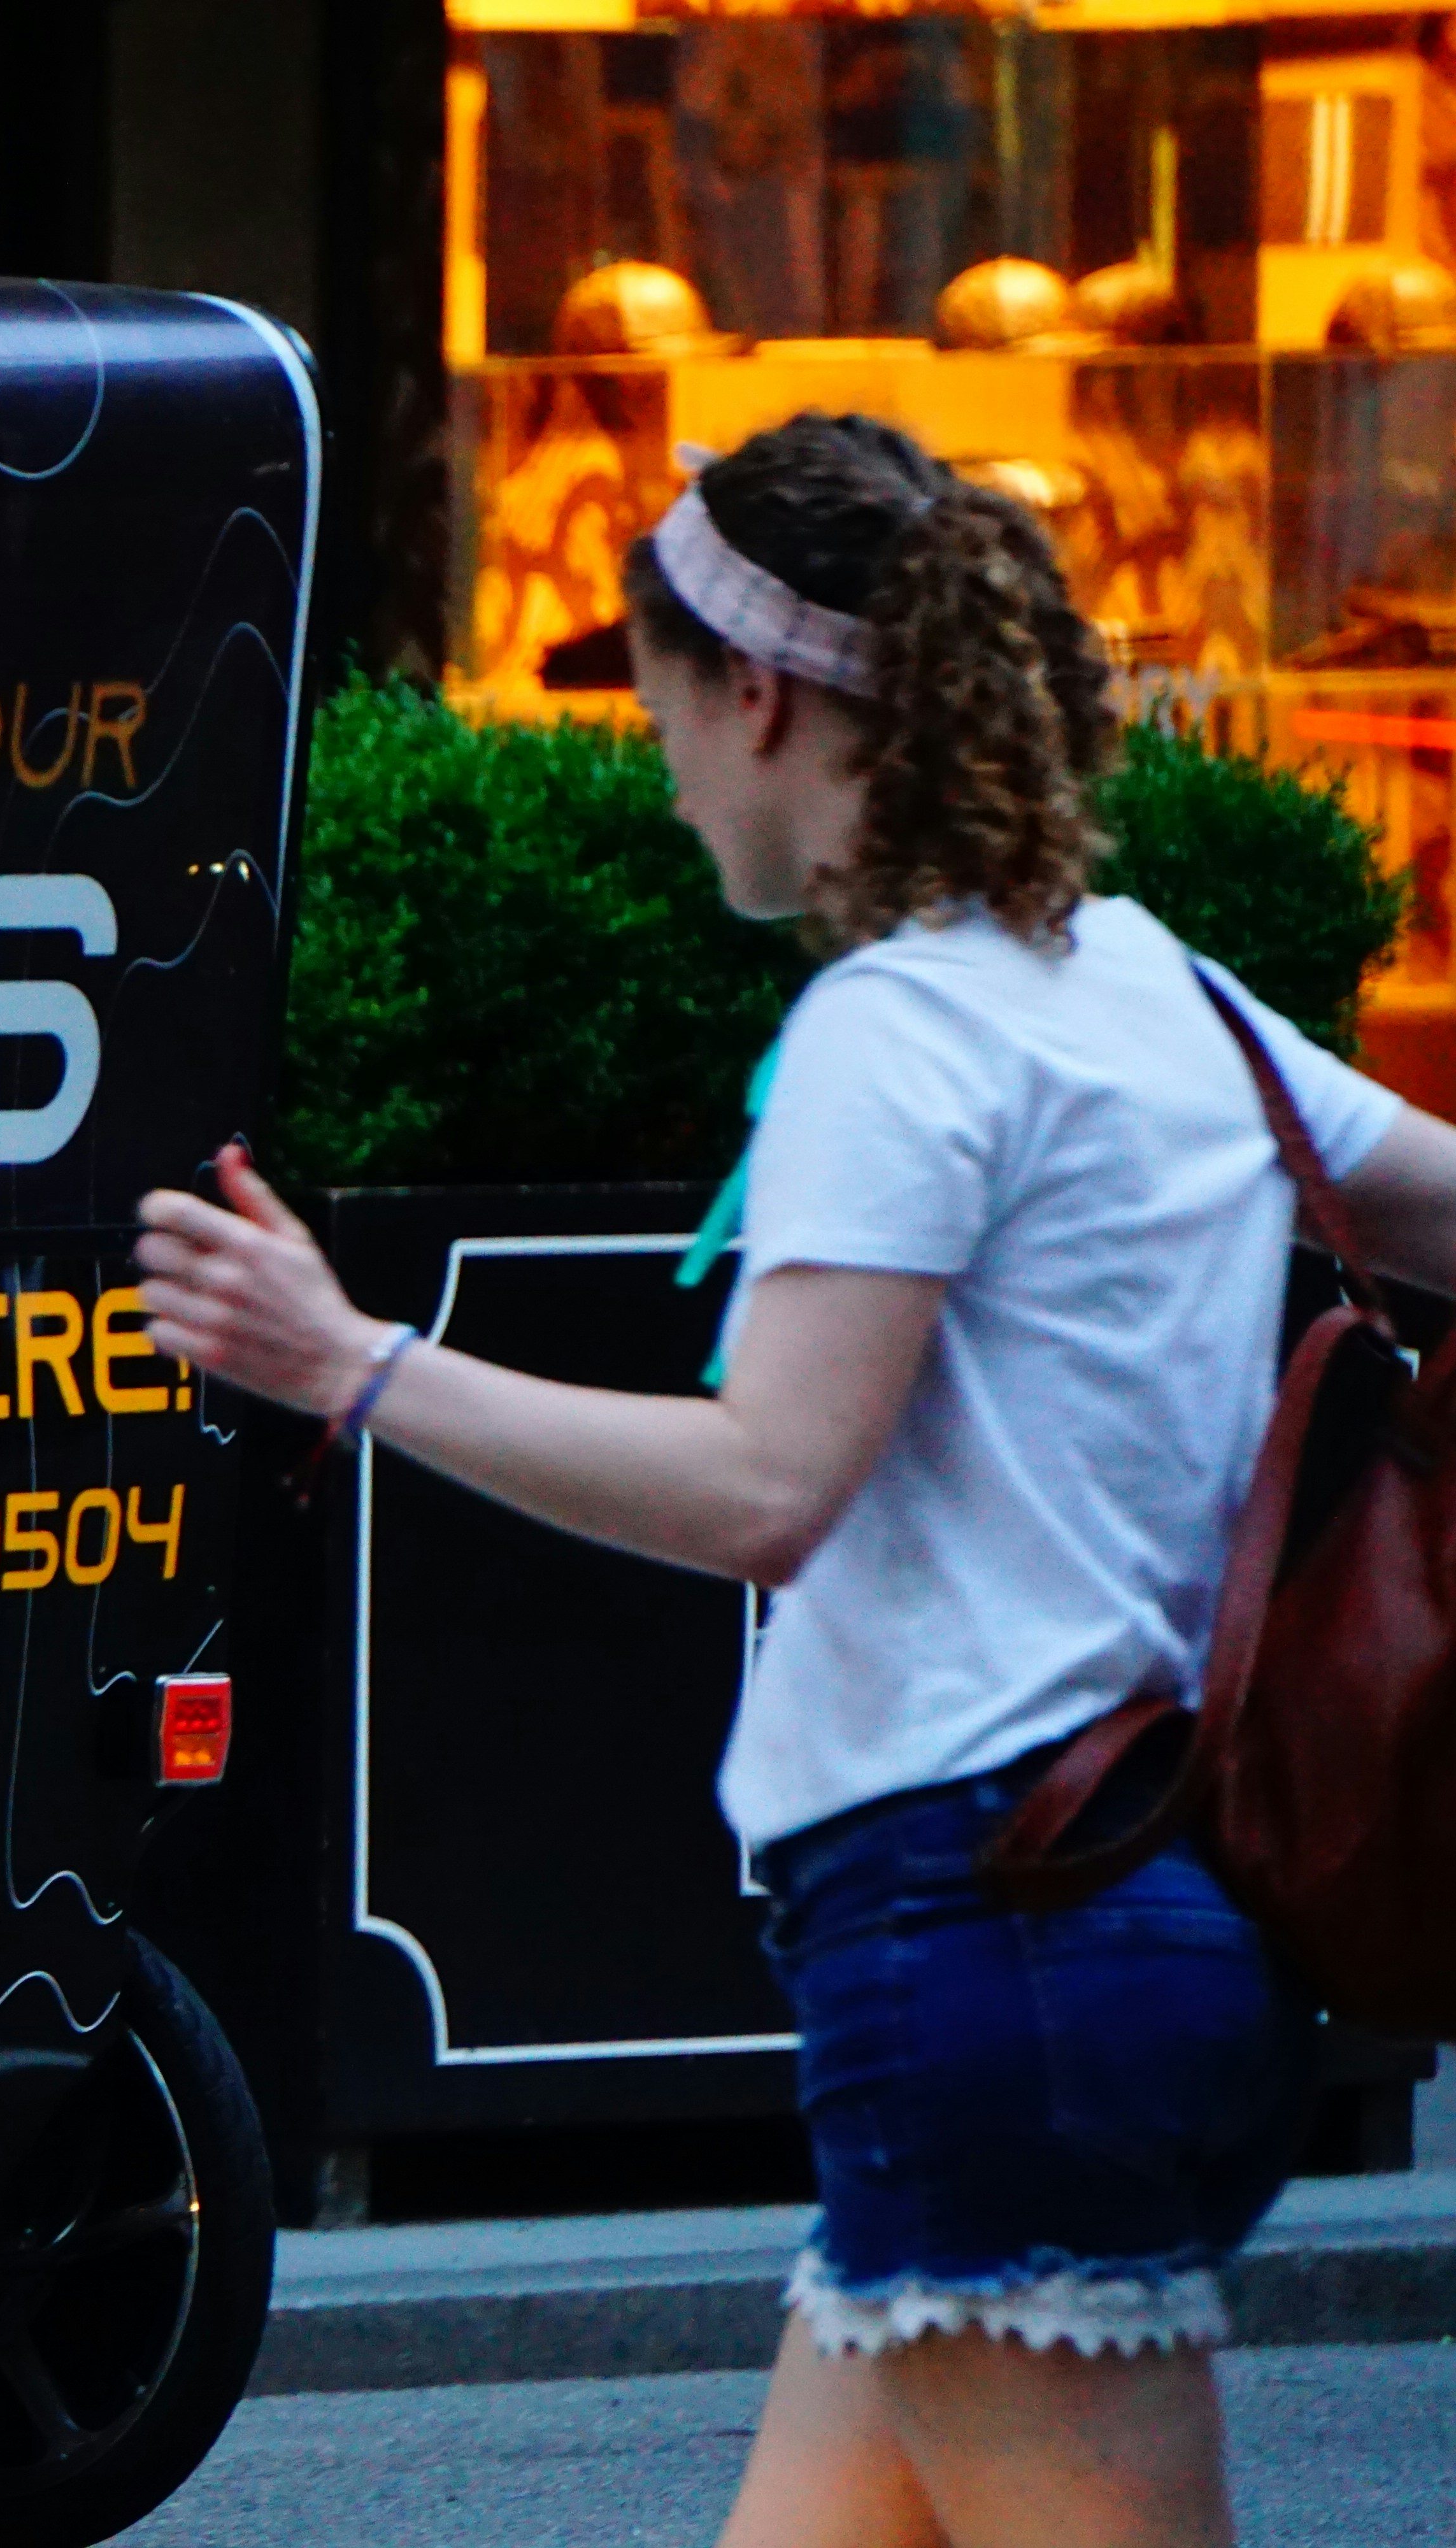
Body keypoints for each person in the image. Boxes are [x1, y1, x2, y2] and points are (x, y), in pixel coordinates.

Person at [136, 411, 1456, 2548]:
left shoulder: (895, 1032)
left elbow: (772, 1489)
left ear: (756, 694)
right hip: (1118, 1931)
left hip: (987, 1939)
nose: (659, 775)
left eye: (659, 709)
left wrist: (352, 1364)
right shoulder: (1163, 996)